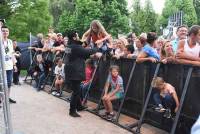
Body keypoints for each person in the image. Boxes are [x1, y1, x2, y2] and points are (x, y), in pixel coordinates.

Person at [65, 31, 102, 117]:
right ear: (74, 37)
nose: (79, 37)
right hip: (75, 71)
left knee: (76, 90)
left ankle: (79, 106)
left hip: (70, 70)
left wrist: (88, 38)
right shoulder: (75, 47)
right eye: (77, 35)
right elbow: (87, 52)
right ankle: (72, 111)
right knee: (76, 92)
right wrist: (97, 47)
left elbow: (78, 55)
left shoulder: (69, 46)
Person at [1, 25, 17, 103]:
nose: (5, 32)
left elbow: (12, 53)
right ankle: (1, 99)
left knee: (9, 83)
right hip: (1, 67)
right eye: (3, 31)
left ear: (8, 32)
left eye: (6, 31)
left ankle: (7, 98)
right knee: (1, 84)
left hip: (9, 66)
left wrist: (14, 65)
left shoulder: (10, 41)